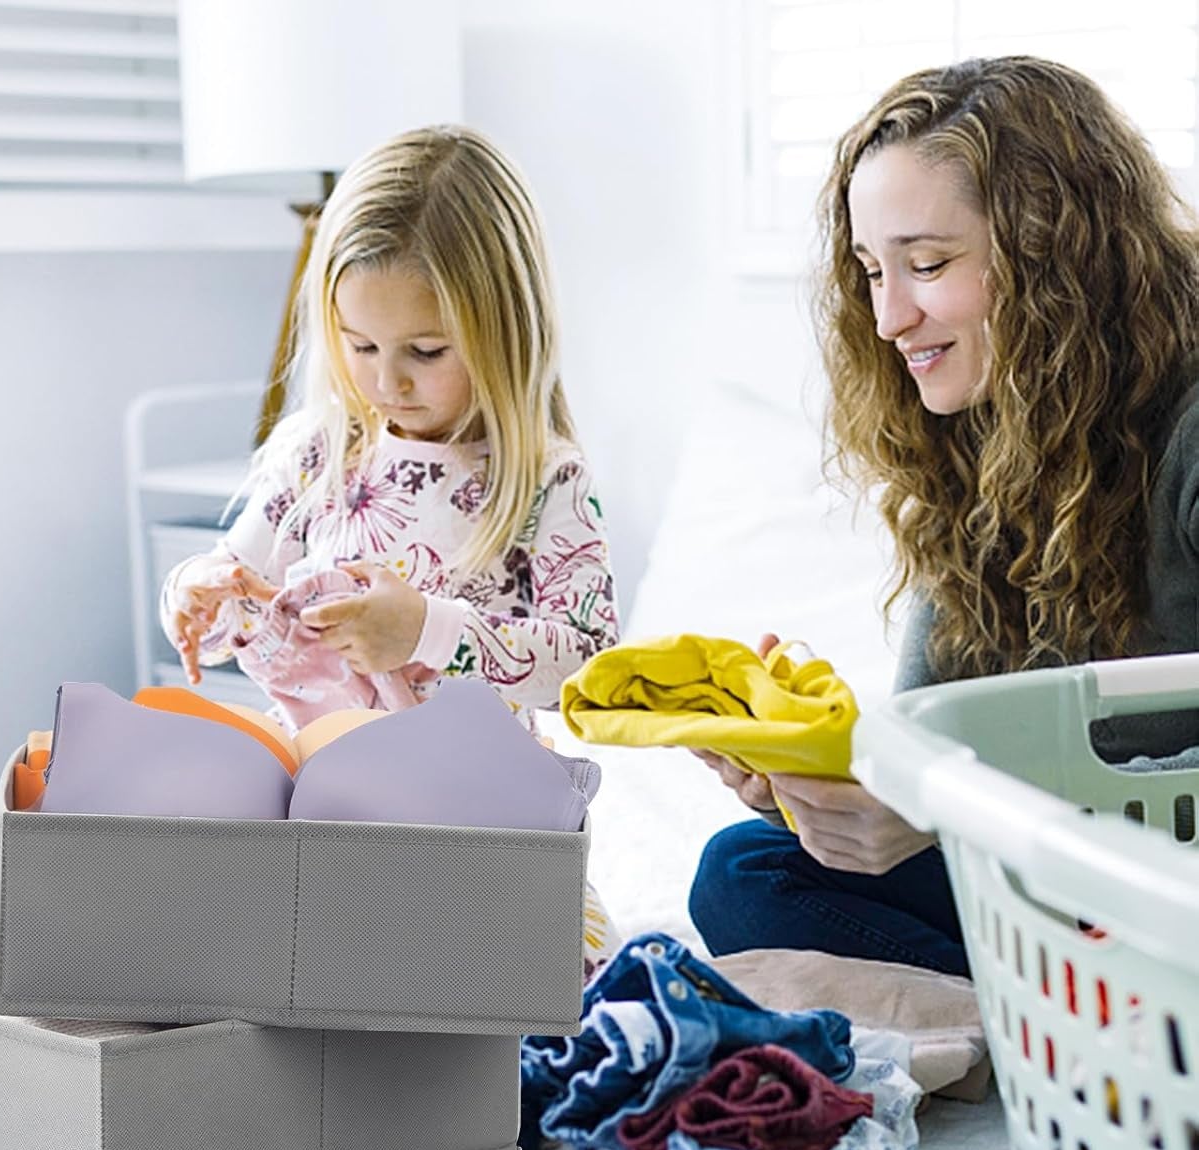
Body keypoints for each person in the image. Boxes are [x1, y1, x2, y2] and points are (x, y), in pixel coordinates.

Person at [689, 55, 1199, 977]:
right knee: (743, 871)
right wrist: (815, 783)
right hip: (1041, 884)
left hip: (1172, 885)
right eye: (870, 271)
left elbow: (960, 795)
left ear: (1052, 250)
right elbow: (926, 739)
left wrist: (953, 811)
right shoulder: (971, 439)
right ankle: (1061, 1015)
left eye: (926, 265)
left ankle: (1060, 1011)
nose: (889, 317)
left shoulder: (1189, 429)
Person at [160, 125, 618, 730]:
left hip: (470, 782)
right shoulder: (317, 454)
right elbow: (239, 588)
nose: (387, 382)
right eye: (362, 346)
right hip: (323, 766)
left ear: (506, 330)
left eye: (426, 352)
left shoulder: (546, 479)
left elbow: (591, 667)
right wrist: (195, 594)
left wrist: (428, 630)